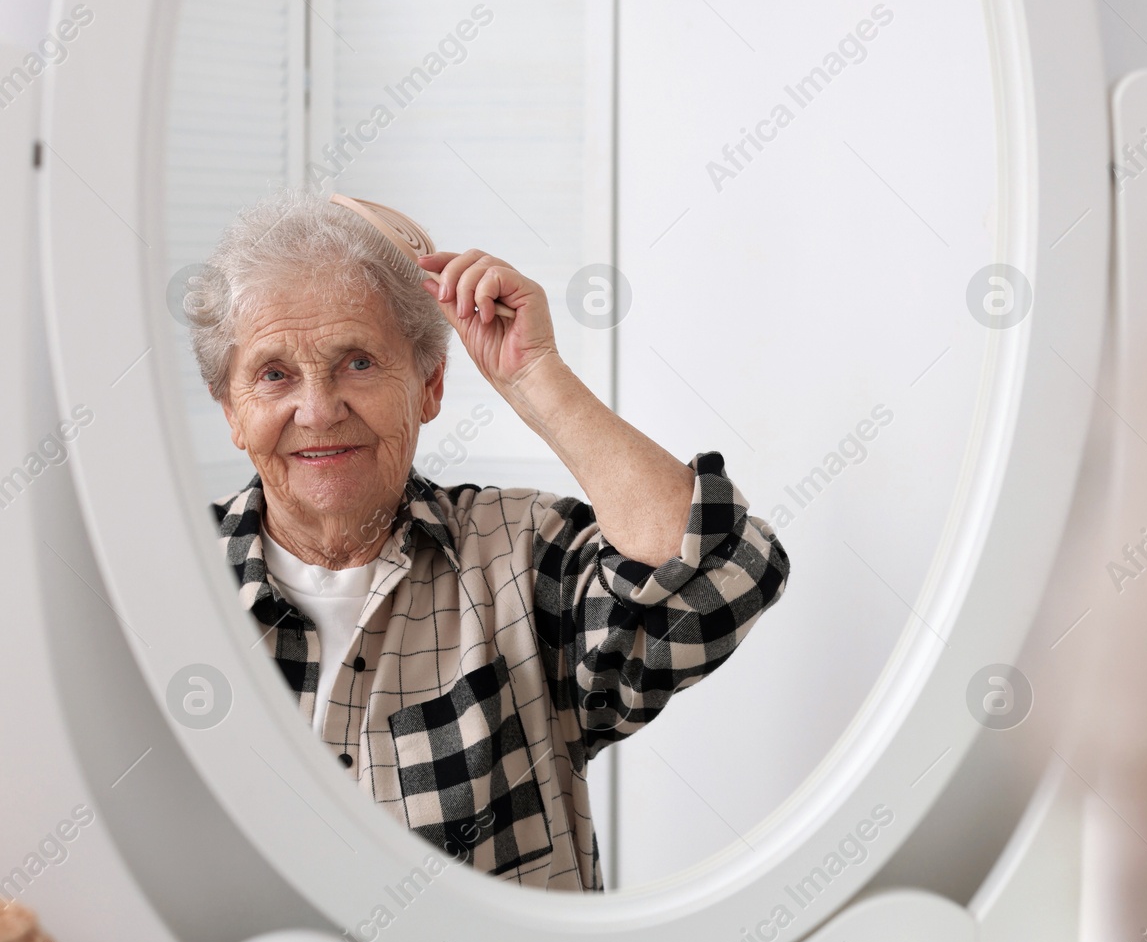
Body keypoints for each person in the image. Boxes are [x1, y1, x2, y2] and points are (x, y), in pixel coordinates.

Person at [184, 189, 789, 891]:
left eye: (357, 362)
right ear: (230, 409)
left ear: (431, 384)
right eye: (274, 374)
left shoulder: (518, 559)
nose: (318, 410)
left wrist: (536, 377)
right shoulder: (170, 577)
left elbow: (726, 571)